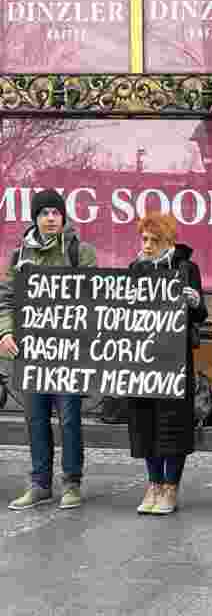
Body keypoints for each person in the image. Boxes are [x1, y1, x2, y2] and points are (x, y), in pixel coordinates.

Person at [0, 189, 97, 510]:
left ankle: (72, 482)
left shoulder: (79, 252)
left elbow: (92, 297)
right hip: (30, 352)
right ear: (35, 218)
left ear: (64, 216)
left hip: (66, 351)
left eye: (56, 212)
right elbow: (6, 299)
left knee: (69, 418)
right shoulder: (18, 256)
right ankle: (40, 483)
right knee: (35, 418)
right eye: (44, 213)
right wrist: (5, 332)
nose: (51, 218)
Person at [129, 211, 207, 515]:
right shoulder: (136, 268)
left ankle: (171, 486)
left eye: (153, 240)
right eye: (144, 239)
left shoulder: (187, 269)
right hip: (144, 358)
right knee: (146, 420)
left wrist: (196, 302)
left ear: (168, 241)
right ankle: (154, 483)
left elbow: (199, 315)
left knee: (173, 423)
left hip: (176, 359)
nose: (147, 245)